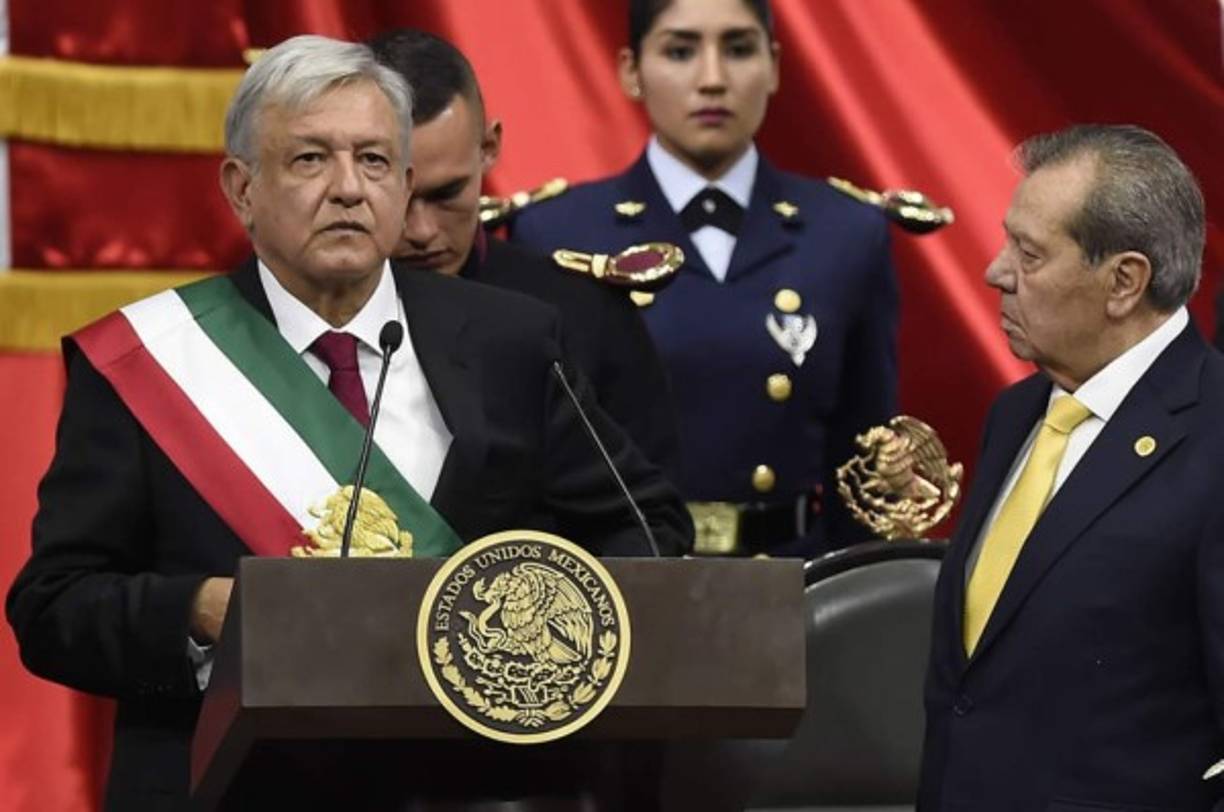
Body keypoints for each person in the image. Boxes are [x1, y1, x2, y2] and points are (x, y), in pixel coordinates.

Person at [5, 35, 691, 810]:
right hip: (238, 789)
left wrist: (532, 616)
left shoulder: (512, 340)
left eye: (372, 161)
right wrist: (201, 611)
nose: (346, 189)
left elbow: (649, 526)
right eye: (308, 159)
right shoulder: (147, 363)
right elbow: (53, 606)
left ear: (402, 186)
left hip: (483, 787)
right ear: (240, 189)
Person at [510, 0, 899, 558]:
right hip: (629, 584)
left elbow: (865, 459)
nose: (712, 79)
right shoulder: (556, 234)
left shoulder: (846, 233)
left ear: (774, 64)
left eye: (738, 49)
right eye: (680, 50)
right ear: (630, 70)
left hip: (796, 583)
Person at [919, 125, 1223, 810]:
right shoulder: (1017, 414)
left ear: (1123, 281)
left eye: (1028, 253)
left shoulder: (1215, 441)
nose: (996, 271)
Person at [366, 28, 682, 485]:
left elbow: (652, 527)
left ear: (489, 148)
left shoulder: (585, 315)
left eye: (447, 194)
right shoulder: (308, 314)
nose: (421, 230)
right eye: (400, 195)